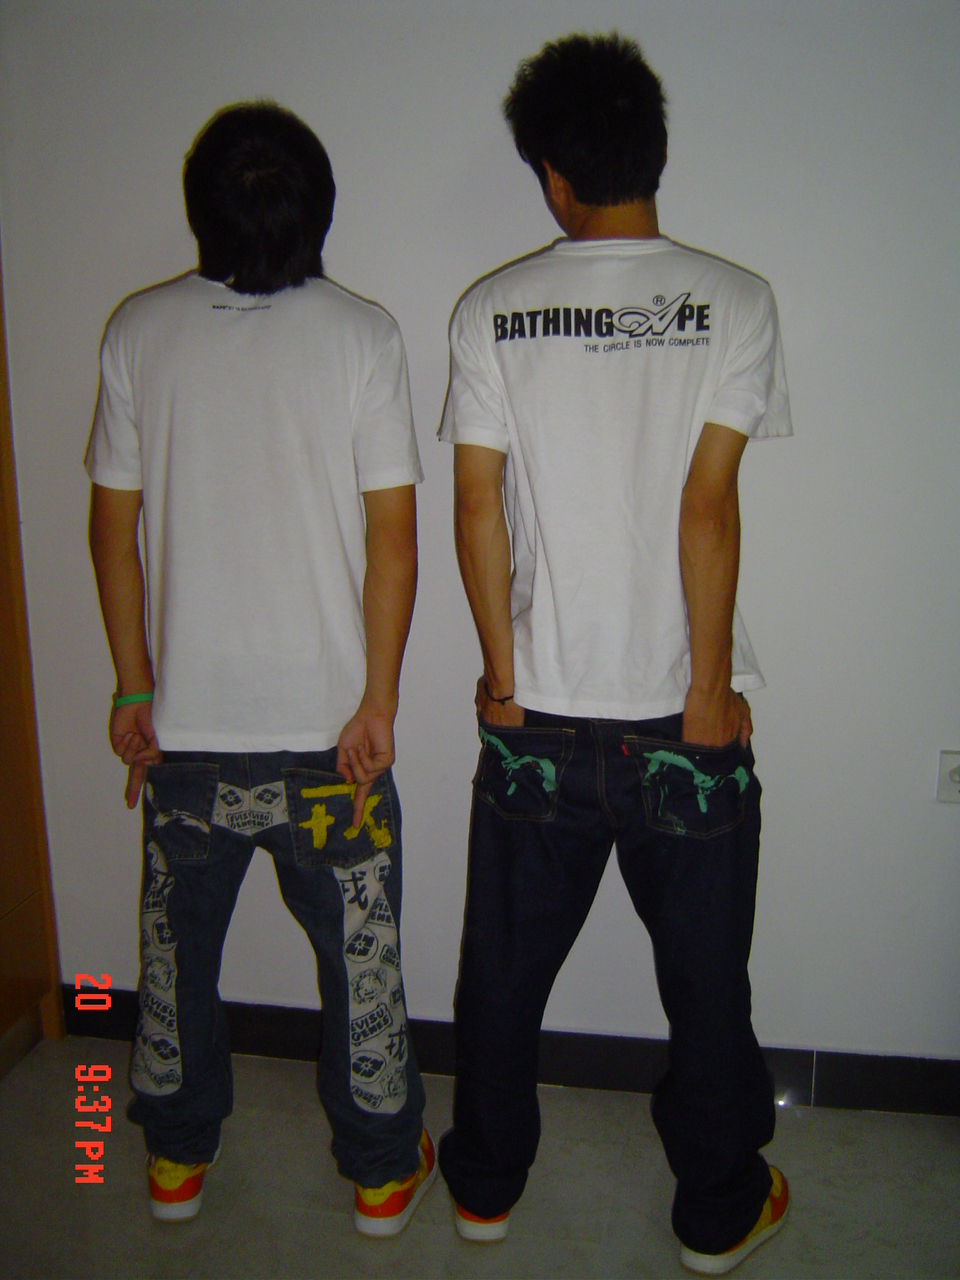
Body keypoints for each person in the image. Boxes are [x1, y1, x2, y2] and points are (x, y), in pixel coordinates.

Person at [437, 33, 792, 1275]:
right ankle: (717, 1210)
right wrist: (706, 691)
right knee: (705, 982)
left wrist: (502, 682)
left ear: (552, 174)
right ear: (655, 150)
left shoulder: (489, 309)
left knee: (501, 974)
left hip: (537, 712)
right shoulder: (737, 299)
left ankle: (483, 1189)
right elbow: (708, 505)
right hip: (679, 723)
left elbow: (475, 505)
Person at [85, 102, 436, 1235]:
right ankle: (380, 1173)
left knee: (172, 955)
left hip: (188, 737)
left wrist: (134, 687)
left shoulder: (138, 330)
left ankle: (174, 1163)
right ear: (318, 207)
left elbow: (113, 531)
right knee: (362, 960)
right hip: (333, 740)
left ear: (202, 208)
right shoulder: (364, 335)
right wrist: (379, 700)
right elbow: (394, 538)